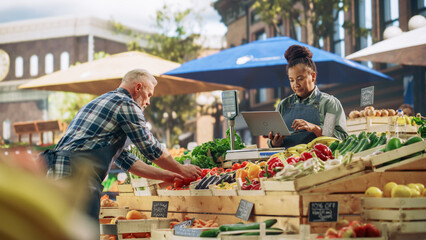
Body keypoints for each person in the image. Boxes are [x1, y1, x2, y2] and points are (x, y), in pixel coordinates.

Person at [41, 69, 201, 235]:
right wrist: (181, 169)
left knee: (61, 231)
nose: (148, 102)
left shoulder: (104, 101)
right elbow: (150, 148)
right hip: (76, 172)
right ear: (138, 87)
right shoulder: (126, 104)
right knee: (81, 233)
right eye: (150, 95)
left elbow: (127, 161)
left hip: (58, 170)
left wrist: (164, 175)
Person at [266, 45, 348, 148]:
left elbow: (340, 139)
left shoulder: (327, 103)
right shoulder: (283, 106)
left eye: (300, 79)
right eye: (291, 80)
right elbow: (273, 145)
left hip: (319, 161)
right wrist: (275, 143)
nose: (296, 84)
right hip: (288, 162)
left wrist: (313, 128)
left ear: (313, 76)